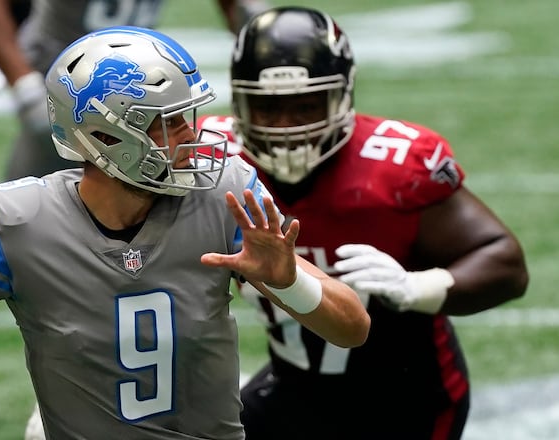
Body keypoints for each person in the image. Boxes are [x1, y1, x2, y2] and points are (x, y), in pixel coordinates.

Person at [0, 26, 371, 439]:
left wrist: (288, 281)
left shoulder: (223, 194)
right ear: (105, 136)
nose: (192, 135)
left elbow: (352, 328)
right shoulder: (19, 218)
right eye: (168, 122)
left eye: (187, 116)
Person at [195, 6, 530, 439]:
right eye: (267, 108)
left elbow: (506, 264)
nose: (285, 127)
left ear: (342, 97)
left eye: (305, 107)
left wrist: (416, 288)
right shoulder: (214, 162)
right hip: (292, 387)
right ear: (240, 104)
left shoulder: (394, 169)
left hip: (406, 400)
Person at [0, 0, 268, 180]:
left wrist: (255, 23)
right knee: (36, 213)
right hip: (66, 85)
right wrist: (23, 84)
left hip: (132, 85)